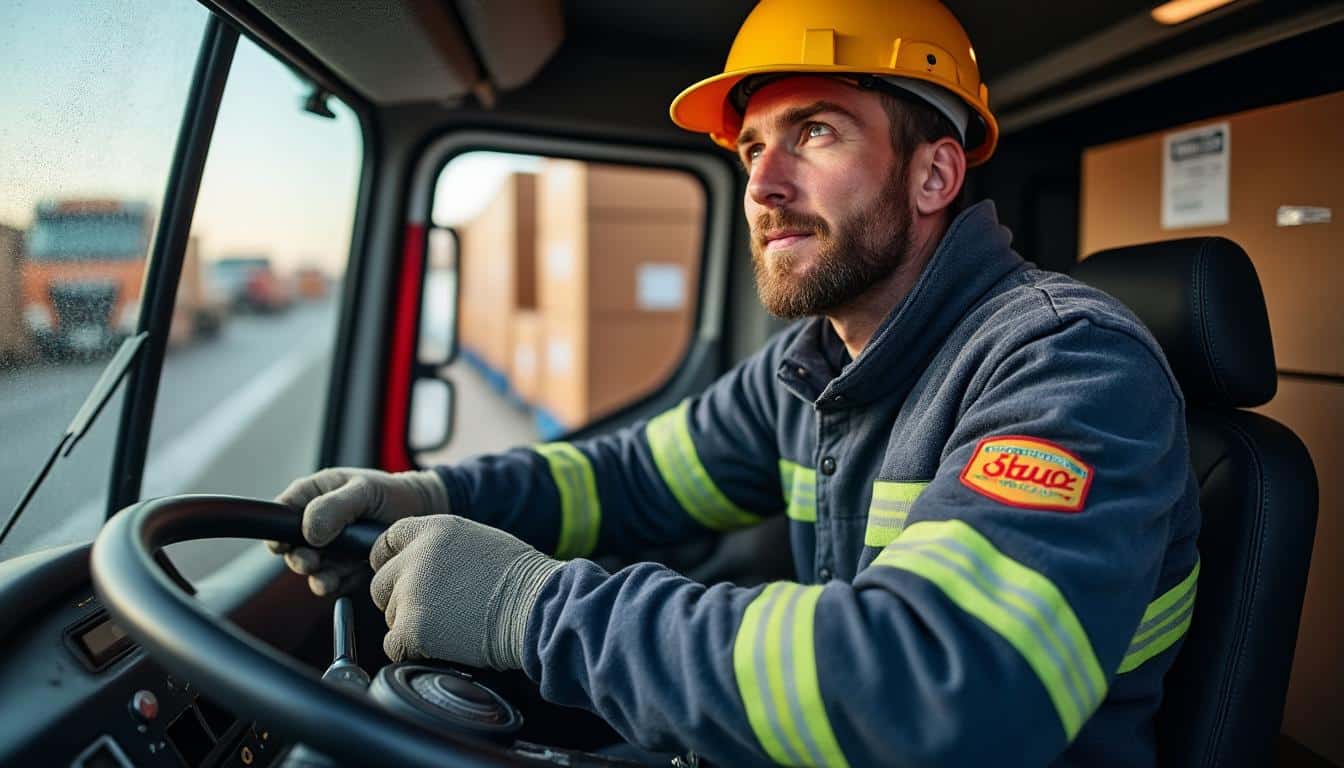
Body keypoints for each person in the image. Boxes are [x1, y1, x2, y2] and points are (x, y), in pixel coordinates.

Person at [270, 1, 1200, 765]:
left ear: (934, 174)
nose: (764, 185)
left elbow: (940, 693)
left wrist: (530, 608)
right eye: (753, 148)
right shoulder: (812, 370)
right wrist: (432, 494)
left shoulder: (1068, 364)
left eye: (816, 133)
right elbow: (630, 478)